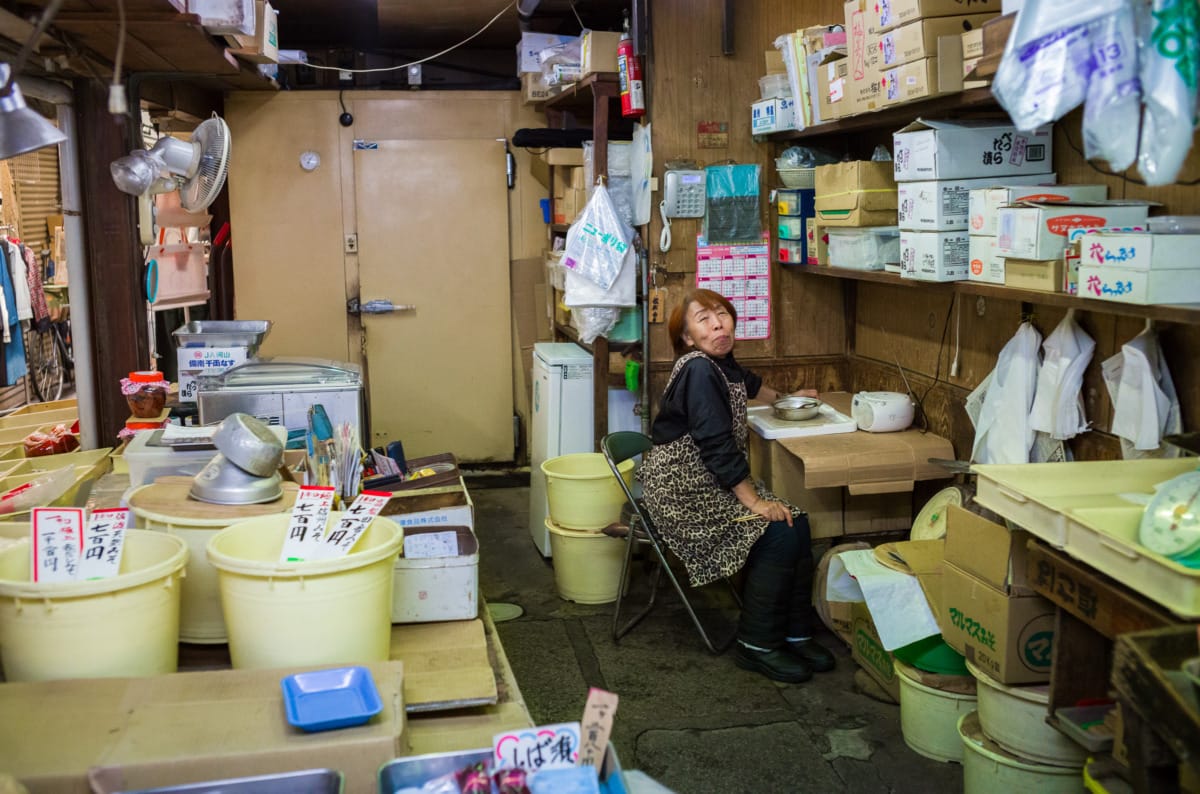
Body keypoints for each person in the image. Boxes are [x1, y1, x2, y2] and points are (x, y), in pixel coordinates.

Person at [638, 288, 835, 683]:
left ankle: (794, 633)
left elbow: (747, 382)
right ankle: (757, 644)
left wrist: (788, 399)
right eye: (704, 320)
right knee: (777, 532)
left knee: (799, 522)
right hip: (681, 492)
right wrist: (754, 503)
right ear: (688, 339)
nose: (717, 324)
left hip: (707, 480)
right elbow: (715, 444)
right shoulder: (697, 369)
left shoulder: (722, 364)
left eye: (721, 315)